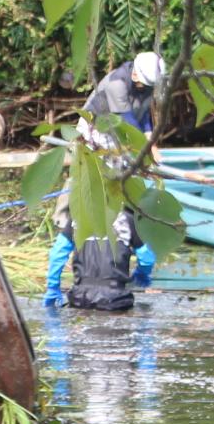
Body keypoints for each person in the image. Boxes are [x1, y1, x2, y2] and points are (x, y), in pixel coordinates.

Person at [45, 49, 163, 306]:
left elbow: (143, 119)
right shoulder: (115, 85)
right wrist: (143, 275)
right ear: (134, 74)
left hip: (121, 132)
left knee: (123, 173)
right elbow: (129, 122)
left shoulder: (146, 85)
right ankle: (62, 217)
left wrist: (153, 144)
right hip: (95, 133)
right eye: (142, 82)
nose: (143, 87)